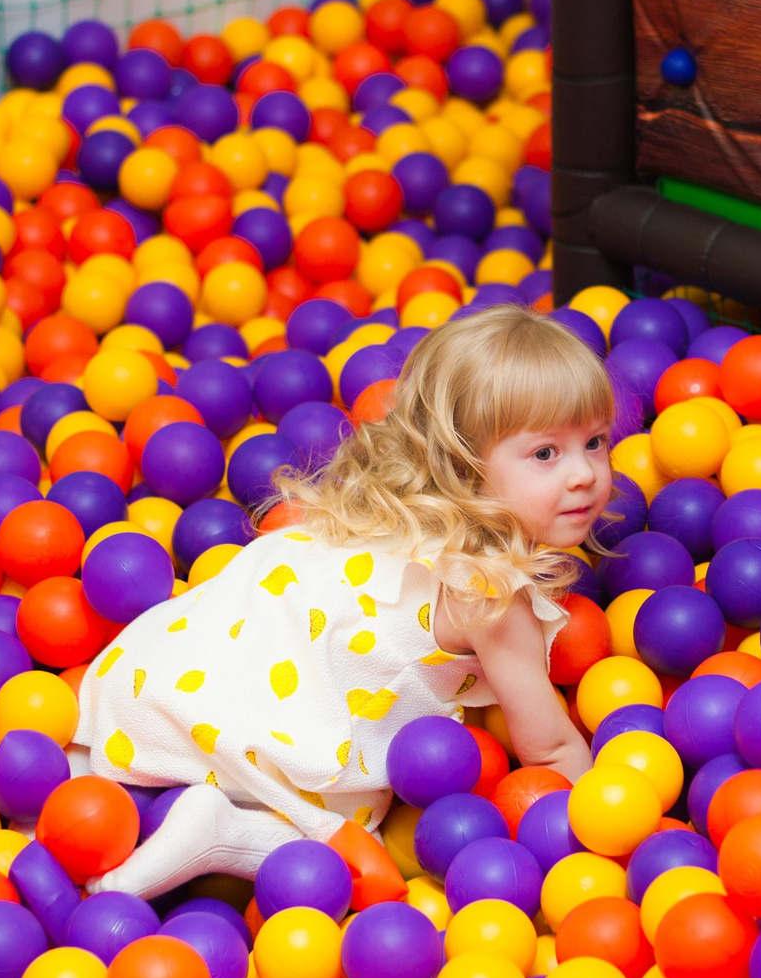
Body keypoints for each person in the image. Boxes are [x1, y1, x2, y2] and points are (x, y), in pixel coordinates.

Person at [68, 304, 615, 897]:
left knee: (79, 794)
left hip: (160, 672)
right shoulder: (492, 595)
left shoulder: (384, 506)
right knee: (354, 861)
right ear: (463, 463)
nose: (584, 474)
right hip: (272, 730)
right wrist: (615, 826)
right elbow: (549, 747)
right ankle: (225, 832)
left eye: (595, 442)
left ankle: (78, 780)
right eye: (545, 454)